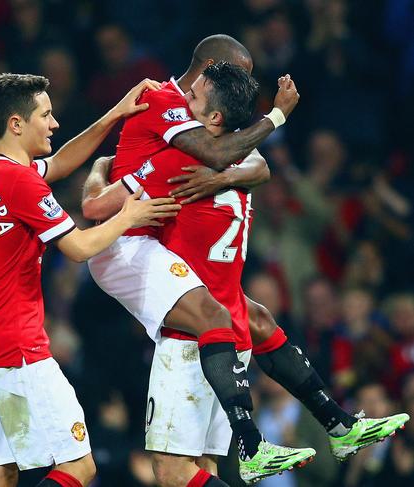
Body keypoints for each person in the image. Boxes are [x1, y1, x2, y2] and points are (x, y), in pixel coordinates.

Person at [83, 36, 410, 485]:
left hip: (194, 322)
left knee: (183, 469)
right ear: (213, 70)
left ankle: (292, 436)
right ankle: (299, 431)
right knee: (243, 319)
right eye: (239, 74)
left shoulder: (187, 155)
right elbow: (253, 166)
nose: (193, 96)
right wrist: (253, 144)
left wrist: (103, 171)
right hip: (169, 274)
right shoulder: (188, 120)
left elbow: (254, 168)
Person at [0, 74, 181, 487]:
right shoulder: (21, 181)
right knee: (79, 467)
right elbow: (79, 247)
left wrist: (115, 114)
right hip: (19, 350)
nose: (54, 123)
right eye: (45, 115)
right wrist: (128, 217)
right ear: (16, 124)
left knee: (1, 472)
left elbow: (60, 163)